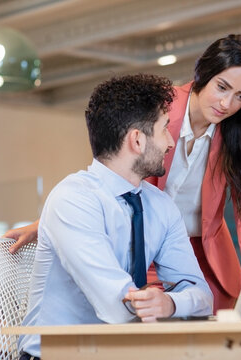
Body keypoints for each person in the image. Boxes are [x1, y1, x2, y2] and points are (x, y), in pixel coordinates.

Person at [6, 34, 241, 313]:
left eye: (240, 97)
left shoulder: (238, 132)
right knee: (142, 317)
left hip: (206, 258)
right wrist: (50, 220)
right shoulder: (158, 110)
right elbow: (114, 167)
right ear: (203, 76)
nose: (227, 104)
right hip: (147, 245)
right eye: (222, 87)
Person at [17, 74, 213, 360]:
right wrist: (167, 305)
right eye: (163, 130)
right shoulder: (73, 199)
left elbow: (203, 297)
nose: (171, 142)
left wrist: (169, 303)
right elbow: (116, 309)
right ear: (137, 139)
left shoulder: (160, 206)